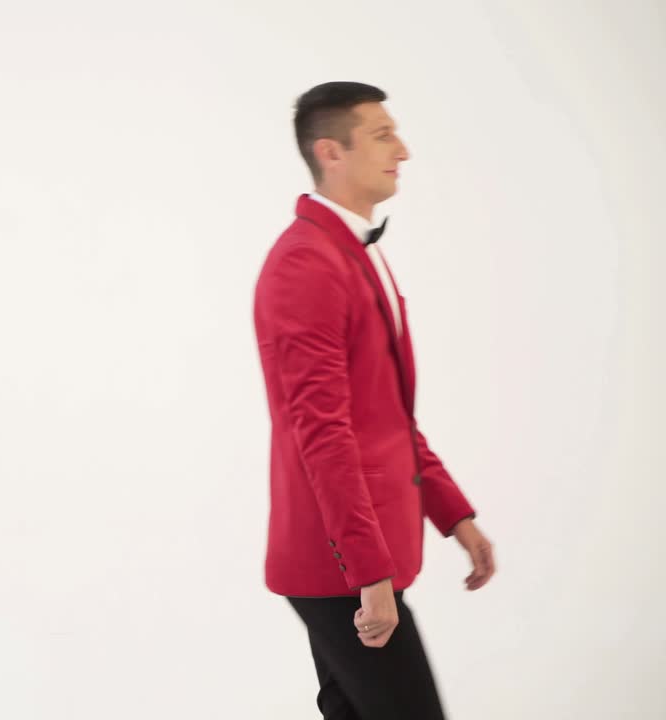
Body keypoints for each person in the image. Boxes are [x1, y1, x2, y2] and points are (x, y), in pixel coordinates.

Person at [252, 81, 497, 719]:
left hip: (357, 561)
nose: (404, 150)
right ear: (331, 151)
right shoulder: (306, 265)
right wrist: (367, 574)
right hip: (340, 566)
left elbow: (386, 415)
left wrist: (454, 514)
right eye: (384, 135)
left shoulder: (353, 252)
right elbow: (324, 433)